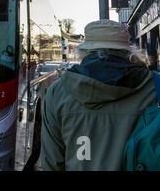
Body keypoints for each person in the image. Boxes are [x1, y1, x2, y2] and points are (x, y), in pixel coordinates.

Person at [41, 20, 157, 171]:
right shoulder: (154, 87)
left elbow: (52, 161)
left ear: (85, 51)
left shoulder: (58, 92)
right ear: (130, 52)